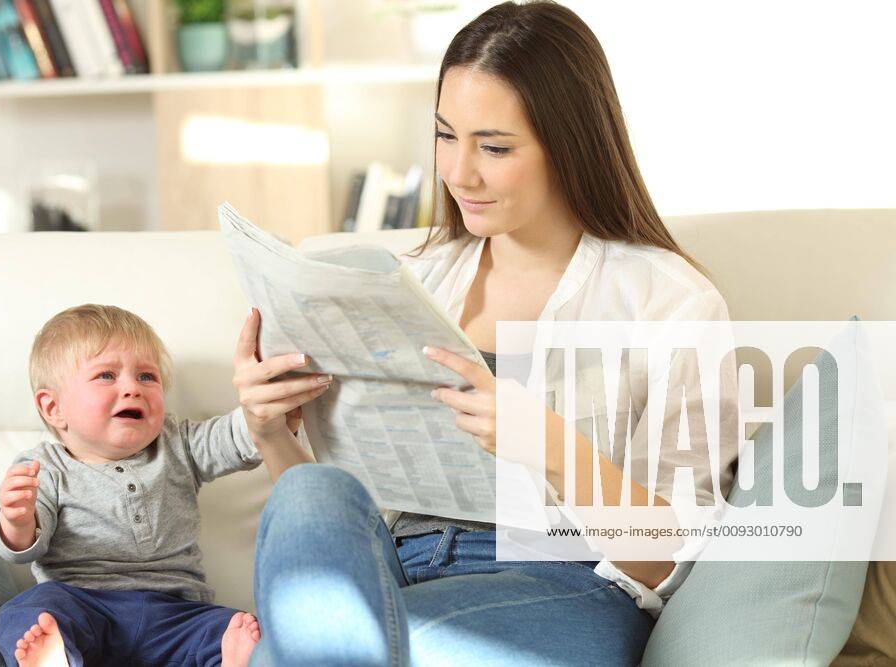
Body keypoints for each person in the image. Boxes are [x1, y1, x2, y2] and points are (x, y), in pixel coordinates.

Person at [234, 1, 737, 664]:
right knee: (312, 491)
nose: (458, 172)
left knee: (303, 654)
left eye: (494, 147)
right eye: (446, 136)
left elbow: (668, 560)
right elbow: (338, 537)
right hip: (388, 569)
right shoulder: (410, 283)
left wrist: (551, 445)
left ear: (569, 144)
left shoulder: (667, 299)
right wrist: (273, 430)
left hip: (562, 587)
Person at [0, 305, 311, 666]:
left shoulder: (177, 443)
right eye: (106, 376)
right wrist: (17, 521)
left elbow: (236, 436)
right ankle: (55, 660)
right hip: (85, 606)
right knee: (25, 611)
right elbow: (23, 547)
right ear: (54, 408)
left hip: (176, 614)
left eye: (147, 377)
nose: (132, 388)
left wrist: (262, 413)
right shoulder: (44, 466)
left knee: (236, 627)